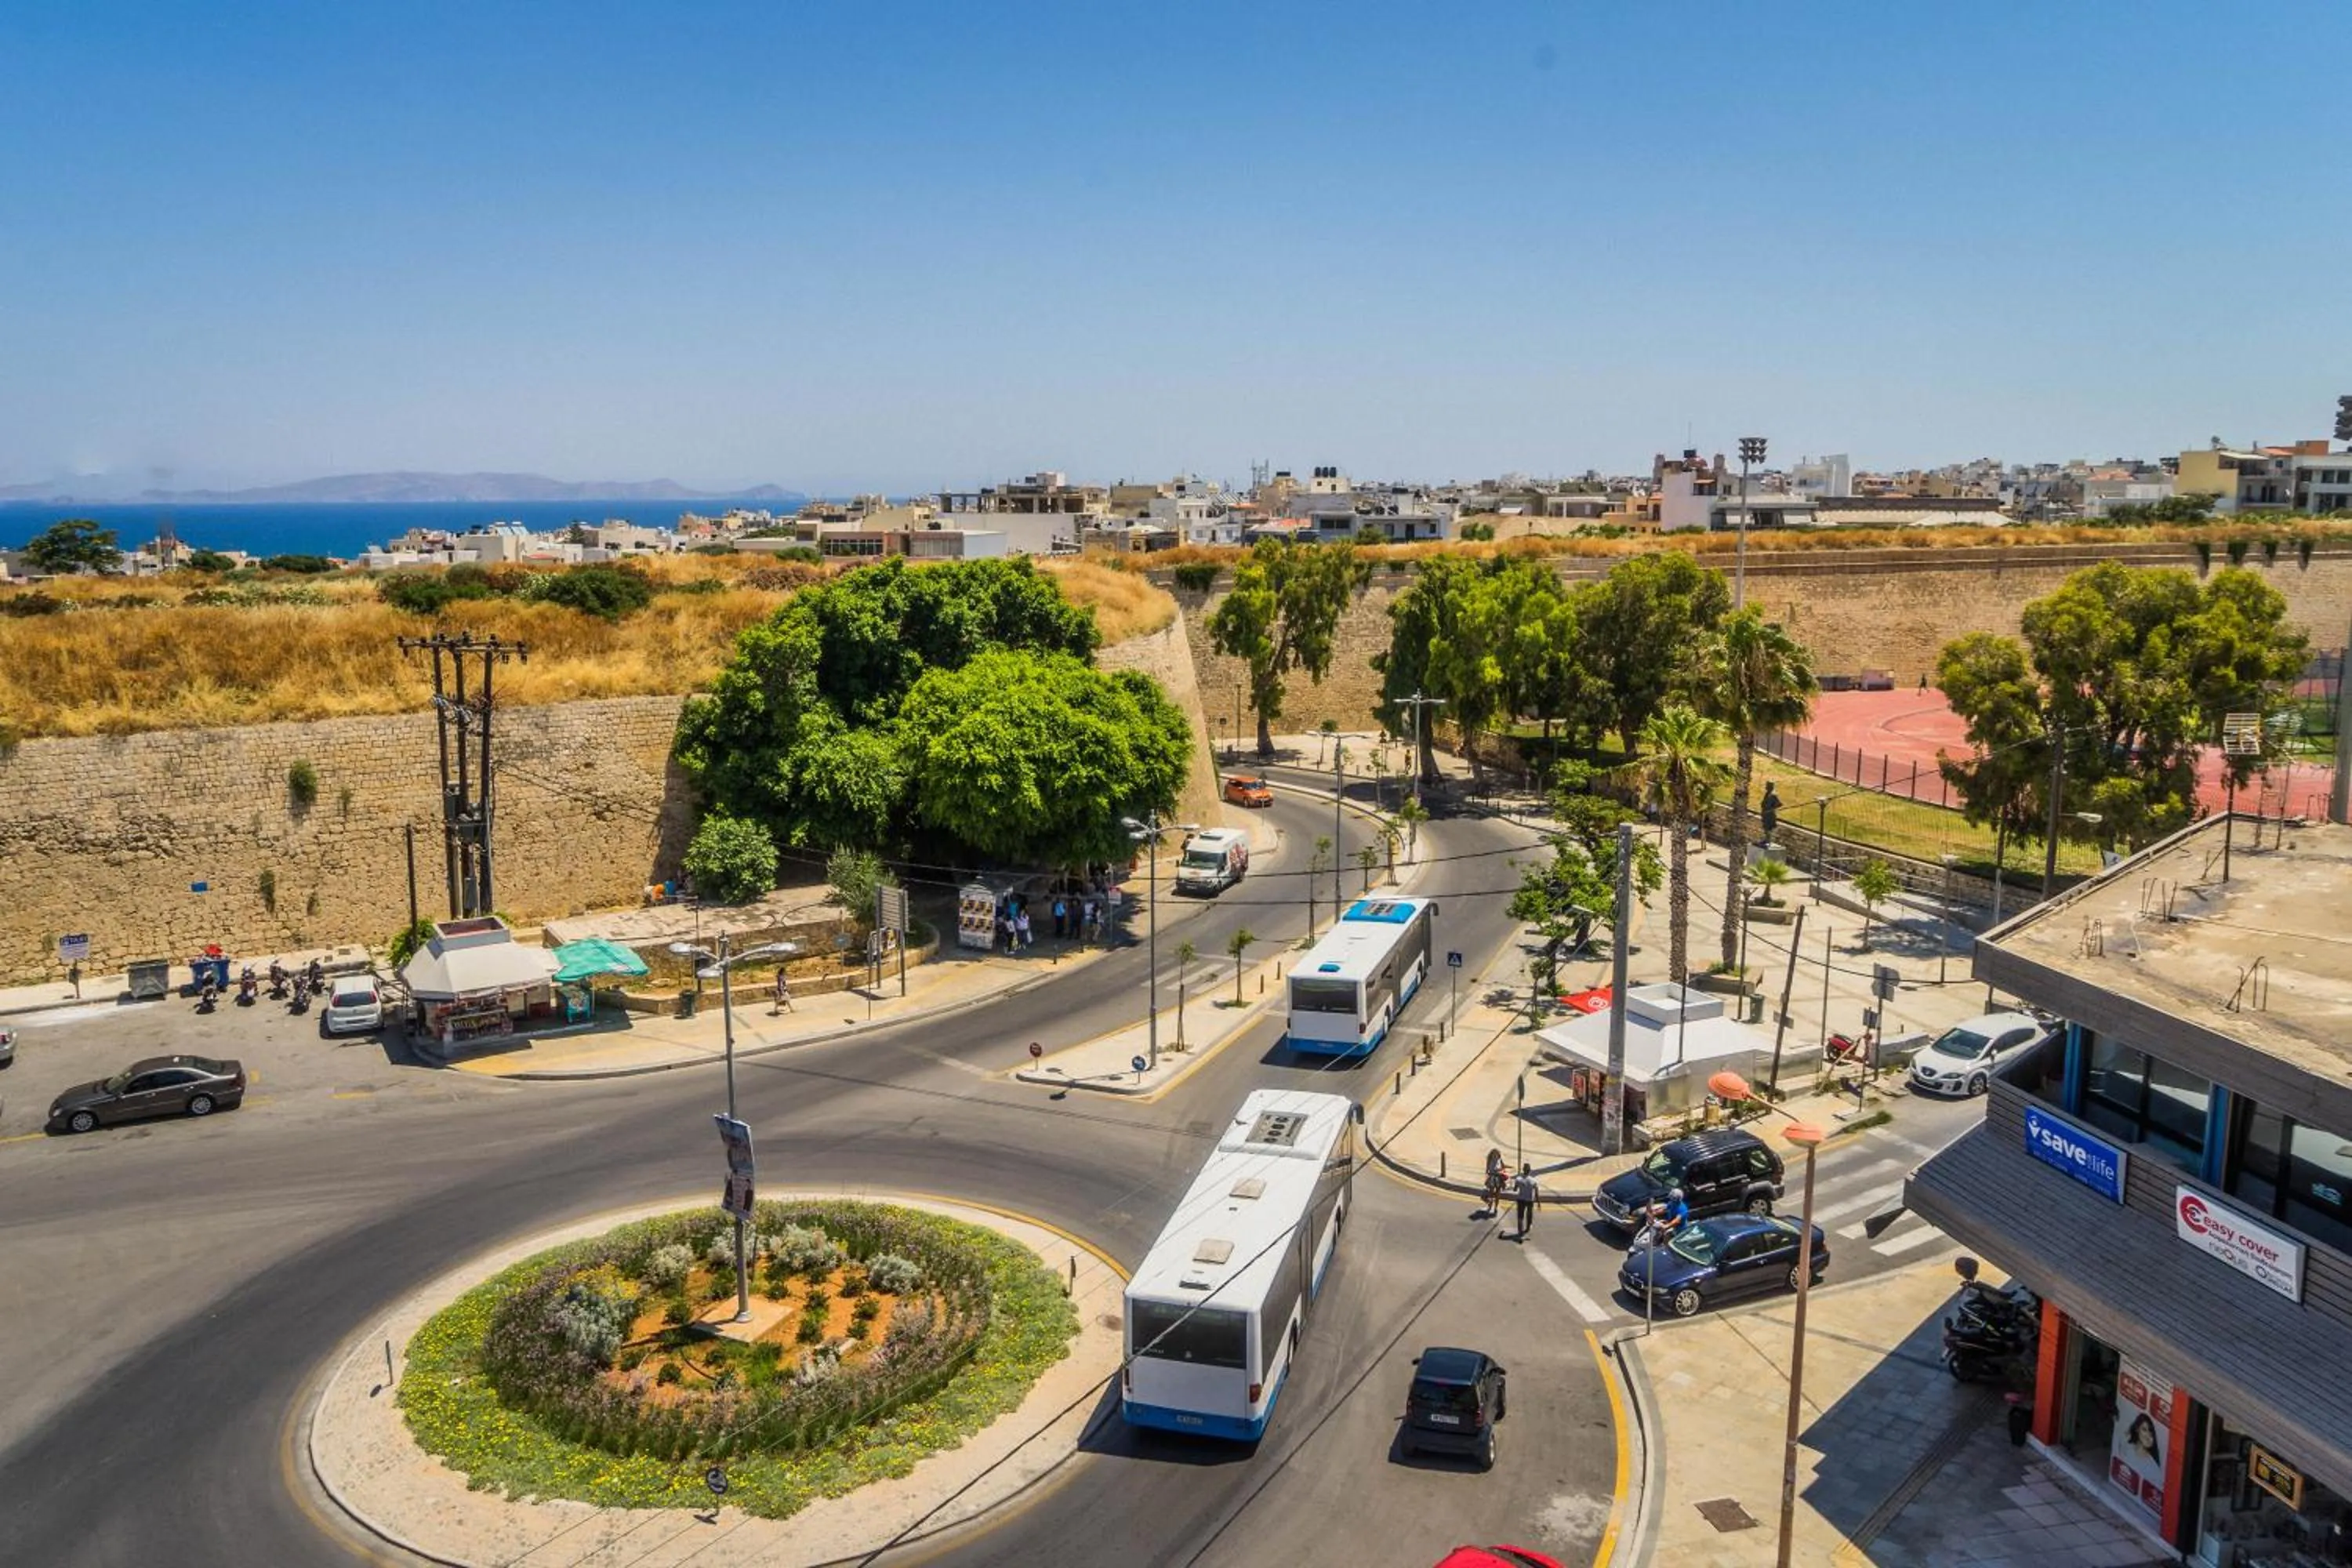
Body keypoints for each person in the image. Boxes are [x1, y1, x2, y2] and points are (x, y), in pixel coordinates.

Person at [1512, 1165, 1538, 1239]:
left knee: (1520, 1216)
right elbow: (1536, 1192)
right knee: (1529, 1215)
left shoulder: (1518, 1179)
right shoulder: (1534, 1180)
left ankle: (1520, 1231)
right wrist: (1538, 1202)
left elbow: (1515, 1190)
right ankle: (1527, 1228)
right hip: (1530, 1200)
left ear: (1523, 1170)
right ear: (1530, 1171)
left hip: (1521, 1199)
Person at [1483, 1149, 1507, 1216]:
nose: (1496, 1155)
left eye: (1497, 1154)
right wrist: (1488, 1176)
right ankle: (1490, 1206)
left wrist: (1503, 1171)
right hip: (1492, 1177)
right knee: (1491, 1193)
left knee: (1498, 1194)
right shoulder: (1489, 1160)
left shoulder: (1500, 1159)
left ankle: (1496, 1207)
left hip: (1498, 1177)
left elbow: (1503, 1166)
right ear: (1492, 1154)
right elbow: (1487, 1170)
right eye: (1494, 1154)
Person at [1759, 781, 1781, 847]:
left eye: (1767, 786)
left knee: (1768, 828)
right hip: (1765, 813)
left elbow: (1779, 804)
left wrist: (1772, 809)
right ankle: (1766, 839)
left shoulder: (1773, 795)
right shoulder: (1767, 793)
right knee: (1765, 828)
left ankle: (1768, 841)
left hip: (1770, 815)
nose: (1766, 787)